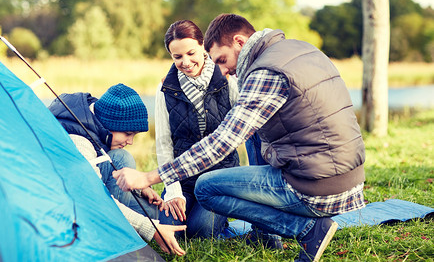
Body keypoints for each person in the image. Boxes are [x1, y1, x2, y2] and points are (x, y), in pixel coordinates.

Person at [113, 14, 366, 262]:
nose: (223, 71)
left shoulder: (264, 72)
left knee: (206, 196)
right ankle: (267, 232)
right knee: (182, 224)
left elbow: (223, 142)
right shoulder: (301, 51)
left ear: (240, 42)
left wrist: (147, 177)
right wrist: (173, 189)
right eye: (177, 56)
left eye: (222, 59)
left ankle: (302, 230)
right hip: (351, 182)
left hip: (316, 187)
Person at [48, 83, 186, 256]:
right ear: (109, 124)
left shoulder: (92, 119)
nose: (131, 142)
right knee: (123, 158)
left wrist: (141, 187)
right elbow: (95, 199)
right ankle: (114, 237)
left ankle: (147, 227)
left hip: (84, 189)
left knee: (167, 220)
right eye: (128, 134)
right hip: (70, 208)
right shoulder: (80, 142)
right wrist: (151, 230)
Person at [155, 20, 240, 239]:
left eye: (191, 53)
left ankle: (220, 223)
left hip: (219, 179)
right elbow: (164, 144)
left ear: (203, 46)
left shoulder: (228, 80)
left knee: (201, 230)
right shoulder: (165, 88)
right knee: (172, 229)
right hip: (183, 180)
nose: (185, 62)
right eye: (177, 57)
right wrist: (173, 192)